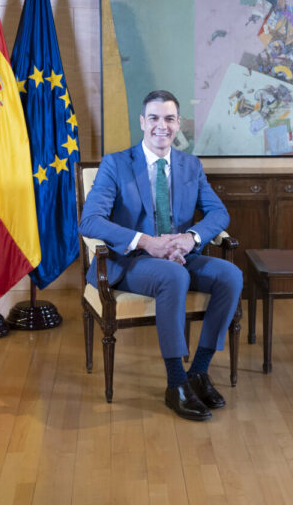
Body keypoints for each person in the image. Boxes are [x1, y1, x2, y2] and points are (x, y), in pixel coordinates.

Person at [80, 90, 243, 421]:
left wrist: (189, 238)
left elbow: (218, 213)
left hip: (178, 256)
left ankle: (198, 372)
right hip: (131, 262)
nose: (161, 126)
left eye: (169, 118)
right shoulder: (116, 164)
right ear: (142, 122)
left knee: (231, 275)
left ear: (178, 123)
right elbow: (90, 220)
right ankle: (175, 383)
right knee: (175, 276)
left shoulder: (190, 165)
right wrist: (145, 242)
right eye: (154, 118)